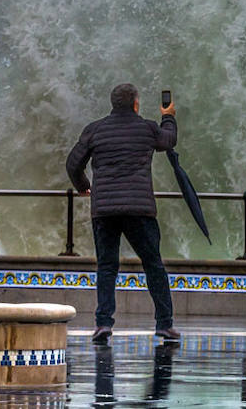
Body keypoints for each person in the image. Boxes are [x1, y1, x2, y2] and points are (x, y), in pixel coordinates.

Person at [66, 82, 180, 344]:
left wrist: (84, 186)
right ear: (136, 104)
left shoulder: (95, 130)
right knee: (153, 265)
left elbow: (73, 164)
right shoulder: (148, 128)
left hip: (104, 209)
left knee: (107, 267)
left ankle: (103, 324)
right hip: (139, 209)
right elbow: (168, 140)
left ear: (113, 103)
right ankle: (164, 325)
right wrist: (168, 117)